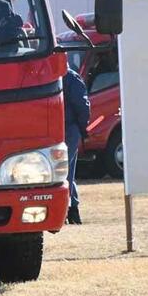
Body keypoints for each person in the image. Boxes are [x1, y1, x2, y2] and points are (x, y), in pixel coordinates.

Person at [64, 67, 91, 224]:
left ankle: (71, 209)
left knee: (63, 172)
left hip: (67, 128)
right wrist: (83, 128)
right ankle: (72, 209)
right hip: (68, 129)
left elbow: (82, 105)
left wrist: (81, 127)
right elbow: (82, 105)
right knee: (67, 171)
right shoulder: (71, 77)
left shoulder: (69, 76)